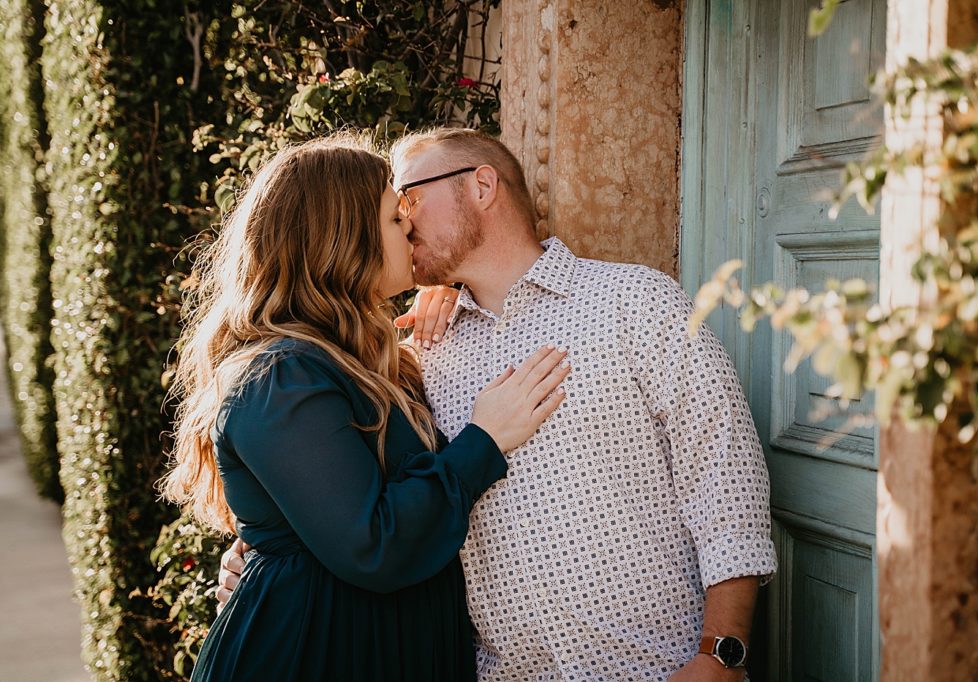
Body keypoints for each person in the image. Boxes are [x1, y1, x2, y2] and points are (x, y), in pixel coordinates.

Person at [220, 128, 778, 681]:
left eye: (409, 196)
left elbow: (725, 478)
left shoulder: (635, 301)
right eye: (397, 210)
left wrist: (721, 653)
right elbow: (352, 494)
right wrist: (261, 551)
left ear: (482, 186)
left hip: (657, 668)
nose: (406, 219)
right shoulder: (416, 357)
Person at [159, 134, 571, 682]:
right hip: (310, 656)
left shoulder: (357, 360)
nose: (410, 228)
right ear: (342, 239)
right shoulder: (279, 376)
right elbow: (371, 544)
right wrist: (483, 441)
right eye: (394, 217)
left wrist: (450, 285)